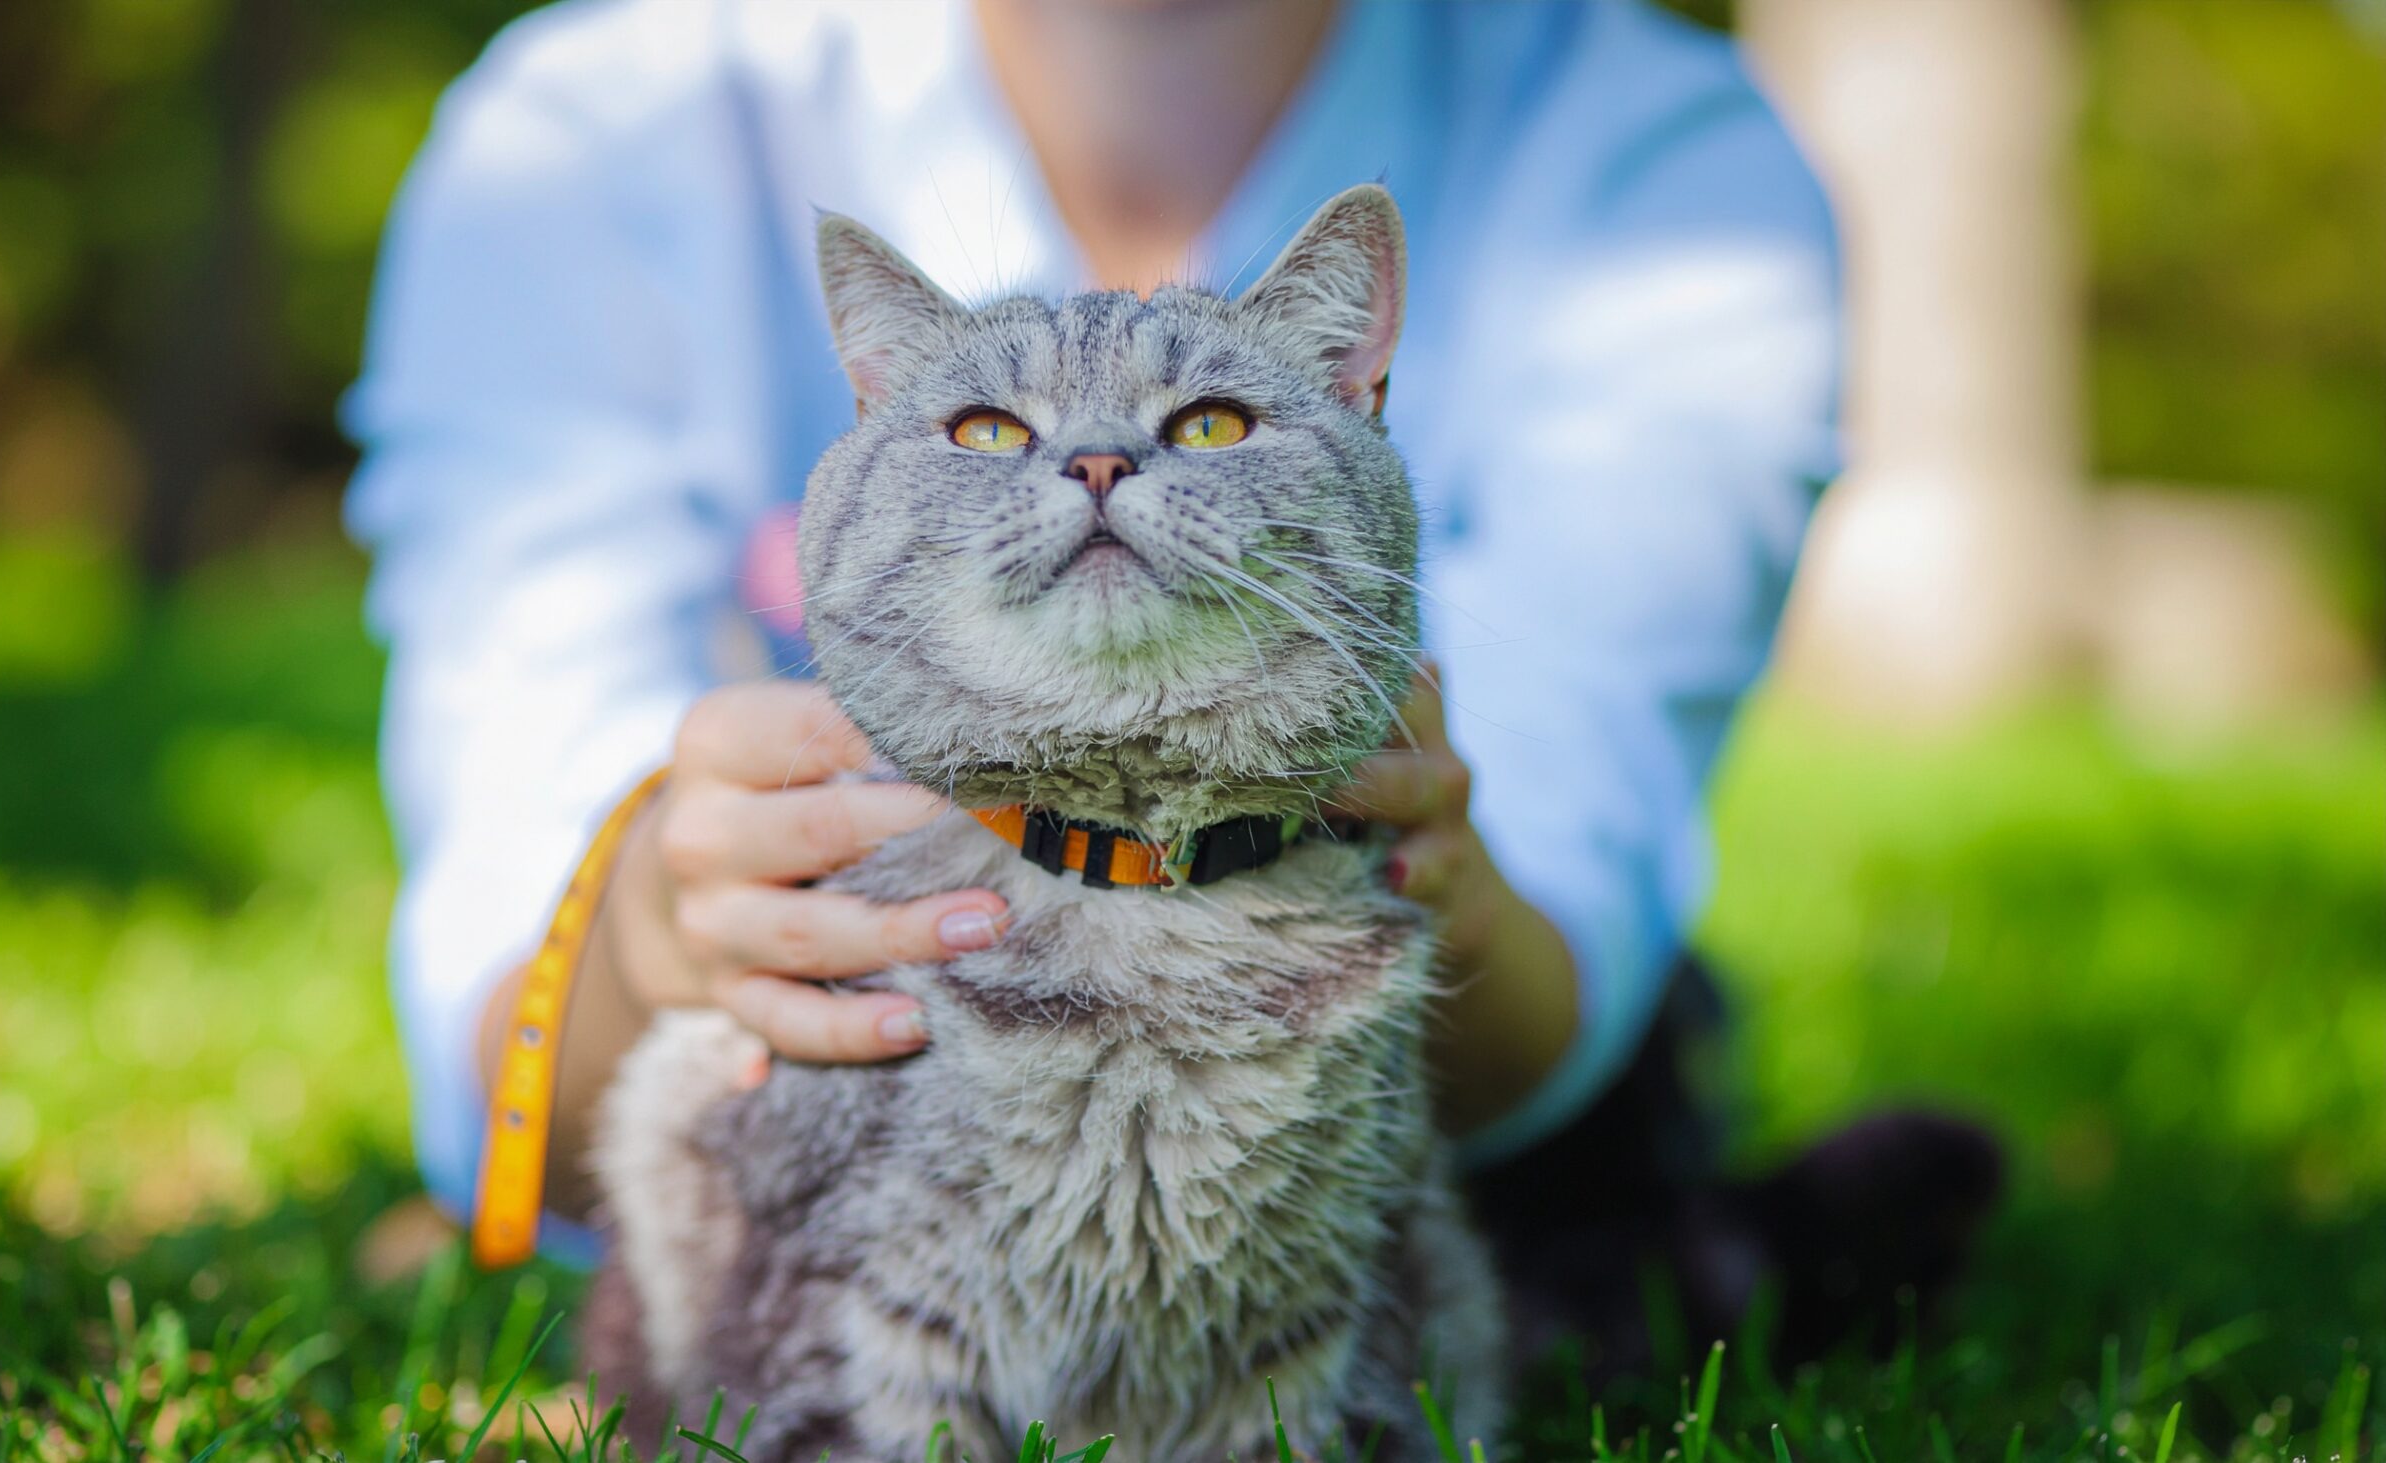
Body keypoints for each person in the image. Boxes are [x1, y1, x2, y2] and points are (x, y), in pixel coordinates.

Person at [348, 0, 1996, 1366]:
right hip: (818, 1078)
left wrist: (1425, 874)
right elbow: (499, 995)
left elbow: (1572, 889)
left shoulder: (1664, 168)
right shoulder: (590, 129)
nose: (1091, 478)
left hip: (1411, 1071)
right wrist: (652, 926)